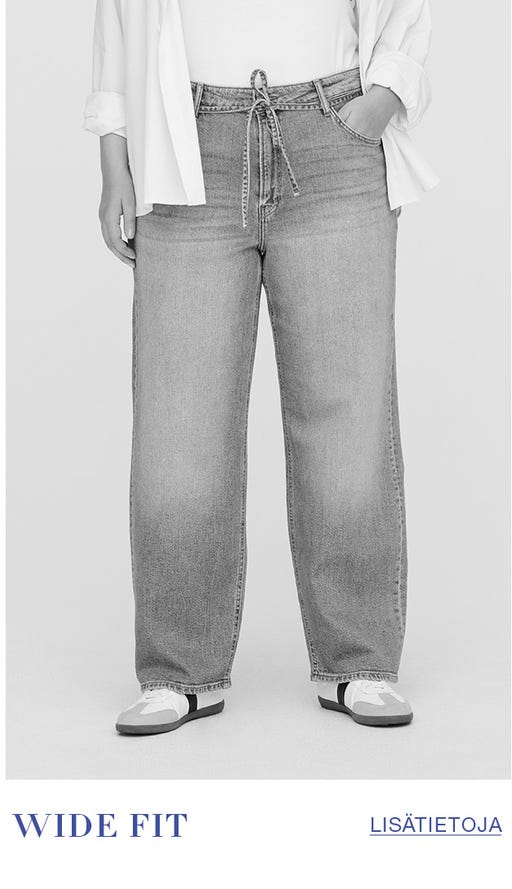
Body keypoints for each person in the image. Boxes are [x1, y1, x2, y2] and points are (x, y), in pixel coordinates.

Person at [84, 0, 438, 734]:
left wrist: (385, 95)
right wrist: (114, 153)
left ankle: (360, 661)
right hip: (183, 139)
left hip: (332, 135)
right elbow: (117, 14)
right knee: (180, 421)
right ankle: (180, 672)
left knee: (348, 413)